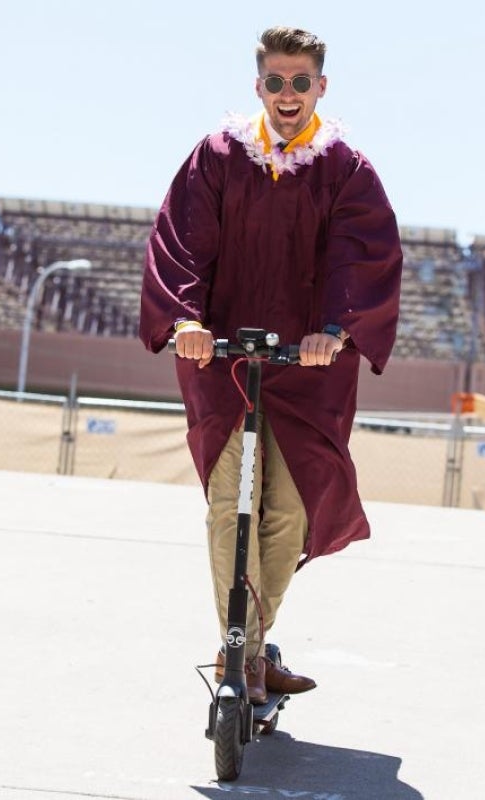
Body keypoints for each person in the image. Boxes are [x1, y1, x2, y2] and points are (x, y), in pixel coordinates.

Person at [138, 27, 402, 703]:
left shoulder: (345, 166)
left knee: (288, 512)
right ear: (258, 87)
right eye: (276, 82)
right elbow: (182, 243)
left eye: (301, 82)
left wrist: (337, 330)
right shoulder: (219, 155)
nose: (289, 95)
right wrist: (186, 319)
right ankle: (245, 659)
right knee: (232, 507)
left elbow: (361, 256)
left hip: (307, 368)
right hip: (223, 357)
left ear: (322, 86)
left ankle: (252, 646)